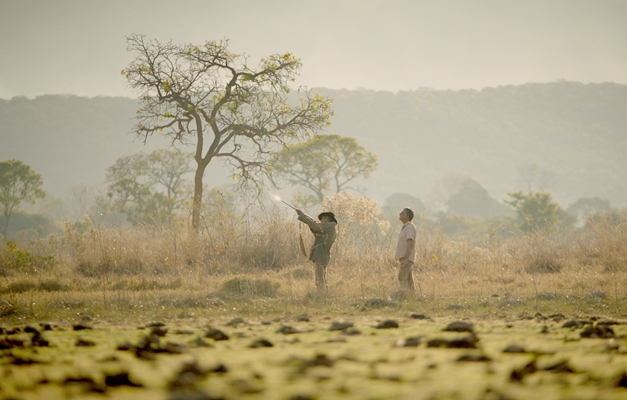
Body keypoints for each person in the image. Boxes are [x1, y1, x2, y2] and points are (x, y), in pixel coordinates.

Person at [295, 209, 337, 291]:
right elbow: (315, 228)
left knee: (319, 278)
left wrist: (302, 215)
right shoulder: (327, 228)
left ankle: (321, 295)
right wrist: (306, 218)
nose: (321, 220)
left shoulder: (329, 226)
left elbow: (315, 226)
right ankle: (325, 294)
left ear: (328, 219)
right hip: (322, 254)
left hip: (321, 254)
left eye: (323, 218)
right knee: (322, 277)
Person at [395, 207, 417, 291]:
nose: (400, 214)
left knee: (402, 277)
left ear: (407, 217)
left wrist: (405, 258)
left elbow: (410, 243)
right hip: (405, 257)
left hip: (407, 257)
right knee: (409, 279)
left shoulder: (409, 227)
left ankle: (404, 295)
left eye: (403, 213)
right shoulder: (406, 227)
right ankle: (412, 296)